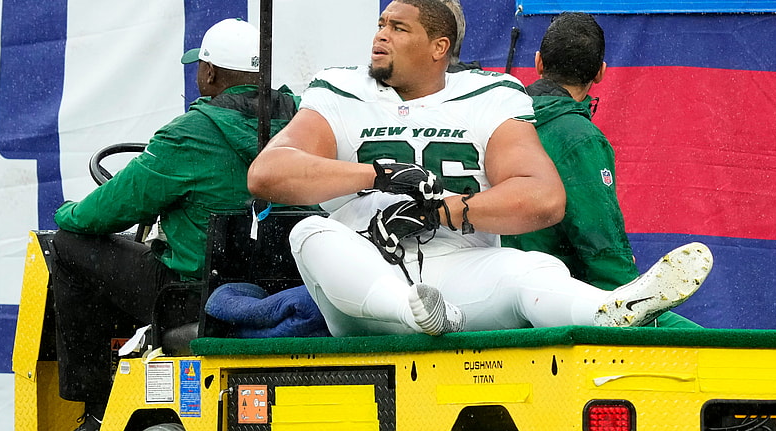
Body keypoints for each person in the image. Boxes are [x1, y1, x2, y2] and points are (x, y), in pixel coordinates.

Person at [247, 0, 712, 338]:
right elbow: (267, 173)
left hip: (457, 271)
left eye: (399, 28)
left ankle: (610, 310)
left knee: (531, 268)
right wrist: (378, 176)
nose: (380, 35)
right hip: (365, 280)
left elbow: (543, 197)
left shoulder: (489, 97)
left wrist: (442, 212)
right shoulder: (340, 90)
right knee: (310, 233)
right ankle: (414, 314)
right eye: (381, 23)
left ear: (438, 46)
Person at [47, 18, 300, 431]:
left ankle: (95, 411)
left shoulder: (188, 135)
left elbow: (101, 214)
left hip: (195, 298)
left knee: (68, 248)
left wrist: (65, 212)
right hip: (283, 289)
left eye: (199, 69)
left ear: (210, 74)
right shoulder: (303, 121)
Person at [499, 12, 700, 327]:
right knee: (705, 342)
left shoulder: (494, 118)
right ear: (601, 72)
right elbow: (599, 244)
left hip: (488, 292)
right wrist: (633, 295)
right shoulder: (578, 138)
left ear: (538, 63)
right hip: (562, 302)